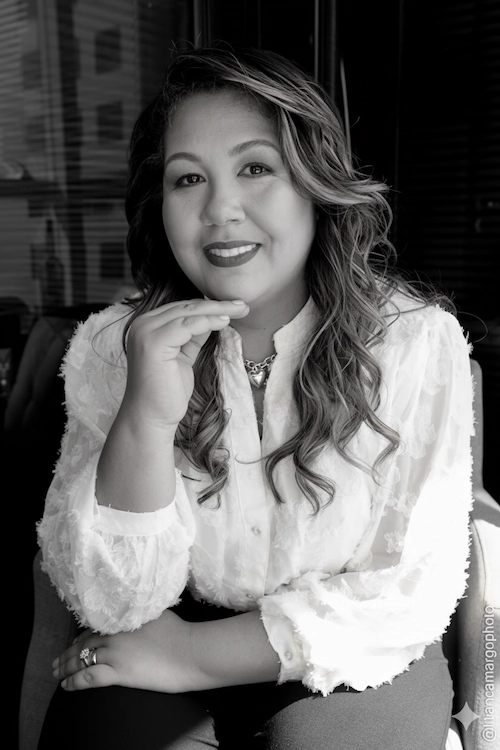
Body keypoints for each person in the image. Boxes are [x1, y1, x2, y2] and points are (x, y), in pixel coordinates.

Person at [36, 46, 474, 750]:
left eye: (255, 168)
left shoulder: (414, 342)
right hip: (164, 626)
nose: (220, 210)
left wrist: (191, 657)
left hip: (349, 648)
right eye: (188, 178)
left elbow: (409, 589)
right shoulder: (113, 346)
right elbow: (109, 600)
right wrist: (146, 415)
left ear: (314, 183)